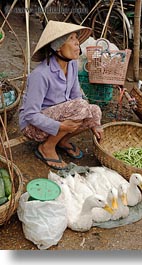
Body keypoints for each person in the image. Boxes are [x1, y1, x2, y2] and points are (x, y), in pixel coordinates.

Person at [19, 20, 103, 170]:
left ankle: (62, 140)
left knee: (95, 111)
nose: (77, 43)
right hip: (33, 126)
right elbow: (30, 114)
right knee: (81, 107)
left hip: (58, 115)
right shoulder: (41, 74)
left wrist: (94, 124)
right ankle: (47, 147)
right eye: (71, 39)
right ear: (58, 48)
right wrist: (60, 125)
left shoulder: (71, 65)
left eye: (76, 38)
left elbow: (76, 95)